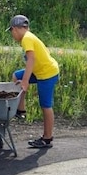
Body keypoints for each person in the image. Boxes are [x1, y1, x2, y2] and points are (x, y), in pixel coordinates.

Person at [7, 14, 60, 148]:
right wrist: (23, 80)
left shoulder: (26, 39)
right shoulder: (30, 37)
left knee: (45, 105)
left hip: (47, 74)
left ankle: (47, 138)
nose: (12, 36)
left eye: (11, 32)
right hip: (40, 71)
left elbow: (31, 59)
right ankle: (21, 110)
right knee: (16, 76)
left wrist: (25, 82)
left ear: (15, 29)